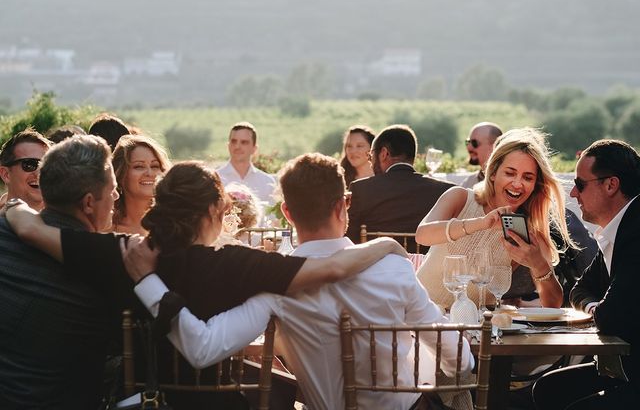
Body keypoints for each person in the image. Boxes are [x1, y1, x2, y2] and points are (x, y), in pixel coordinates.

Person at [6, 161, 407, 409]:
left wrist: (16, 207)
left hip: (139, 399)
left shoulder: (124, 253)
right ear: (216, 209)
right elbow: (332, 269)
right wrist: (386, 244)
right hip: (214, 403)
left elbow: (34, 233)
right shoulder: (237, 264)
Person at [126, 153, 473, 410]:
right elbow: (460, 360)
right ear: (345, 204)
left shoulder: (275, 287)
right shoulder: (393, 268)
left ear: (287, 213)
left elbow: (204, 348)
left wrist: (149, 282)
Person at [0, 135, 118, 410]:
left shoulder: (7, 228)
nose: (116, 195)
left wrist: (16, 208)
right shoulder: (108, 259)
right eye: (112, 188)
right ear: (89, 203)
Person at [532, 139, 640, 409]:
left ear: (611, 185)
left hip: (633, 370)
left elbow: (612, 318)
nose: (573, 195)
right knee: (549, 388)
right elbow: (579, 291)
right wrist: (596, 307)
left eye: (580, 185)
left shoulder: (635, 232)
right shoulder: (619, 229)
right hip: (625, 365)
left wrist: (600, 311)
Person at [416, 128, 573, 309]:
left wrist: (539, 266)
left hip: (476, 330)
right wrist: (481, 223)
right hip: (421, 316)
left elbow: (553, 304)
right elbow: (422, 235)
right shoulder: (460, 198)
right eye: (510, 173)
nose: (517, 183)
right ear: (492, 173)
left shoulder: (527, 232)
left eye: (527, 177)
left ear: (535, 185)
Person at [346, 124, 454, 252]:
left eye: (371, 156)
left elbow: (349, 241)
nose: (371, 163)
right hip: (425, 270)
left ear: (384, 153)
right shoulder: (446, 191)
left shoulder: (361, 190)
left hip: (375, 268)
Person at [111, 134, 170, 234]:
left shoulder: (174, 227)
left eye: (155, 166)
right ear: (120, 175)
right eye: (139, 166)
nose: (149, 173)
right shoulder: (103, 228)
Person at [216, 122, 276, 208]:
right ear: (228, 145)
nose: (237, 146)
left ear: (254, 149)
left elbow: (272, 219)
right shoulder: (216, 180)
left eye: (244, 142)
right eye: (234, 141)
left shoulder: (267, 182)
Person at [0, 129, 51, 212]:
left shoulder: (69, 221)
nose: (39, 173)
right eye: (30, 164)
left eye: (46, 165)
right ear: (6, 174)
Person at [460, 122, 503, 189]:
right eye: (467, 142)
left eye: (474, 143)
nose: (469, 147)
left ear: (494, 146)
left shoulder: (505, 181)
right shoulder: (468, 182)